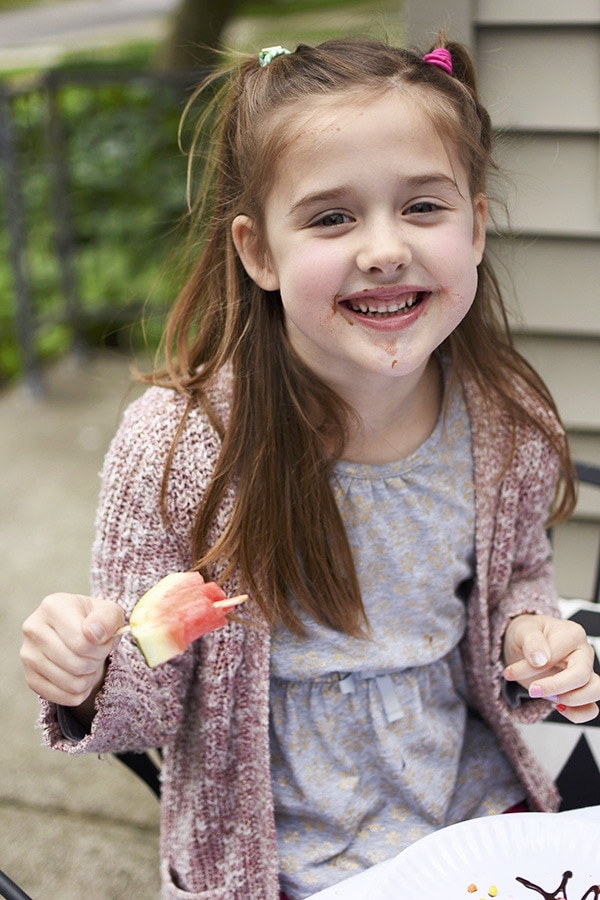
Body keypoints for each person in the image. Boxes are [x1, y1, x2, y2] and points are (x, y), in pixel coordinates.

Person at [21, 36, 600, 900]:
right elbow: (145, 693)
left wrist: (529, 637)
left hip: (473, 812)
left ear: (477, 227)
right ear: (259, 253)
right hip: (281, 861)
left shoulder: (502, 416)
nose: (383, 249)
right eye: (332, 217)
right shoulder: (180, 445)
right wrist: (88, 672)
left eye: (423, 208)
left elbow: (517, 576)